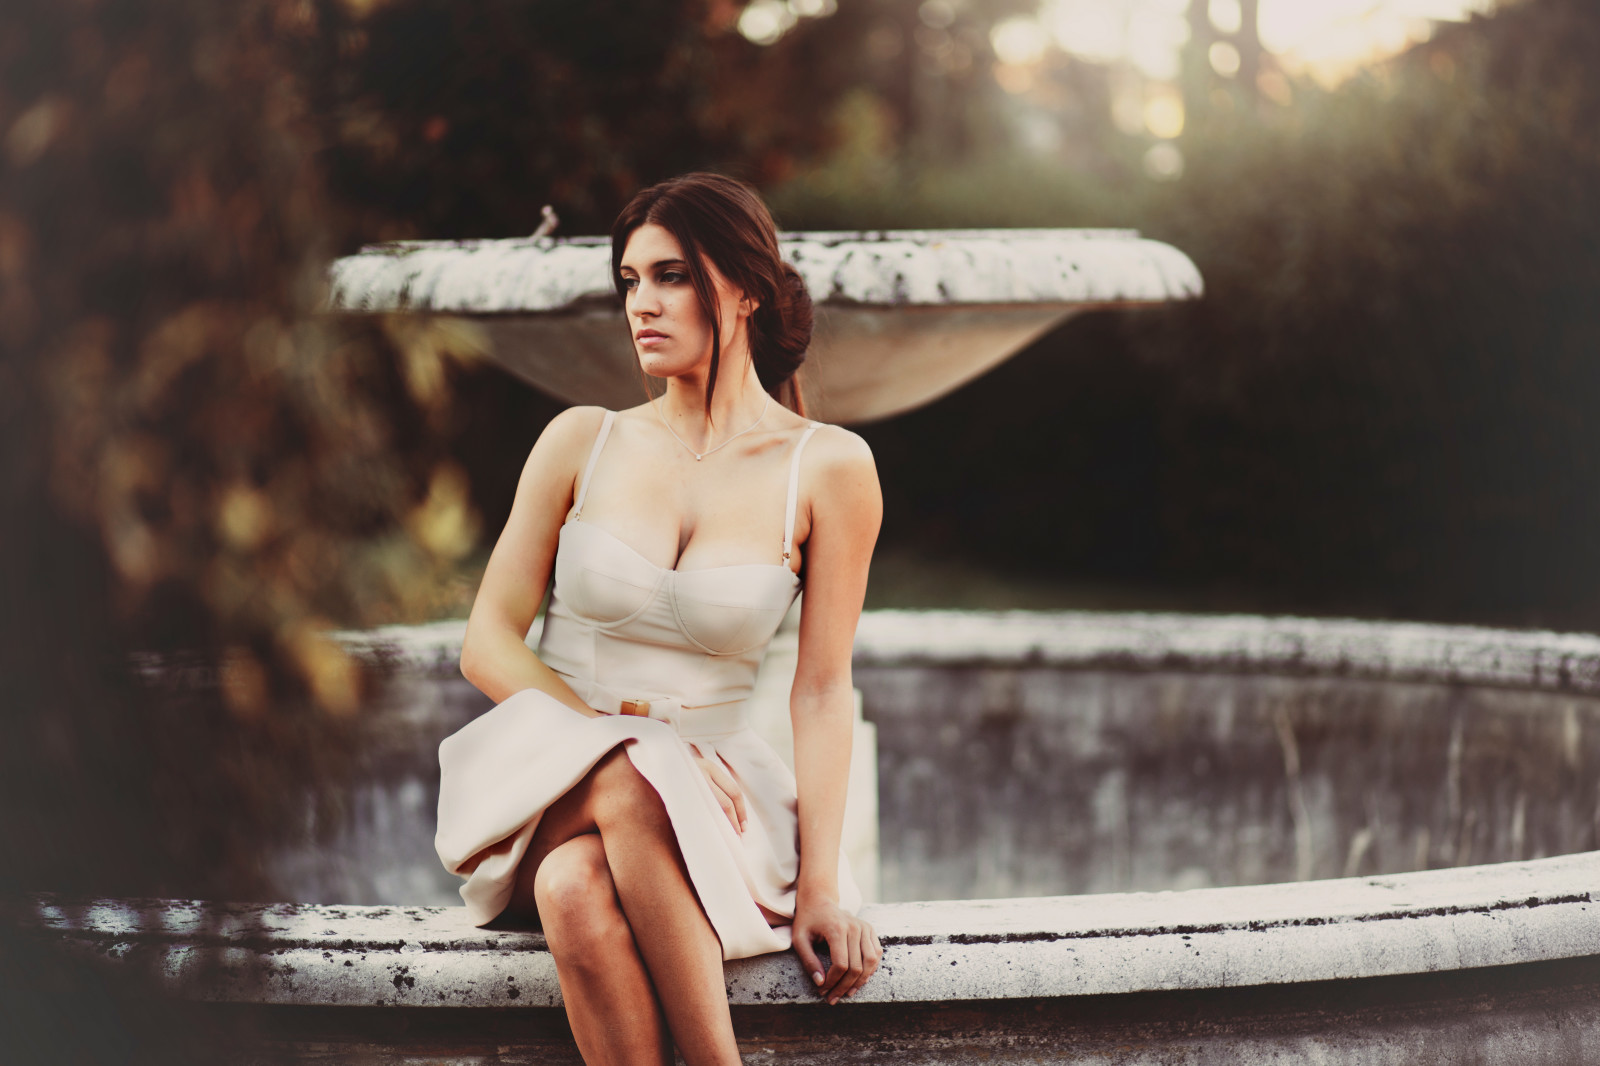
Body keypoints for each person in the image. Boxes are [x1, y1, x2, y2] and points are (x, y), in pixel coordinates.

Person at [434, 172, 883, 1066]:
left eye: (671, 275)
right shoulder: (581, 439)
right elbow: (485, 642)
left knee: (573, 889)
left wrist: (823, 886)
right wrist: (624, 744)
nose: (642, 302)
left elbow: (825, 689)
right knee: (631, 781)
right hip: (548, 775)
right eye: (631, 280)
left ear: (746, 287)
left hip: (716, 797)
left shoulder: (828, 467)